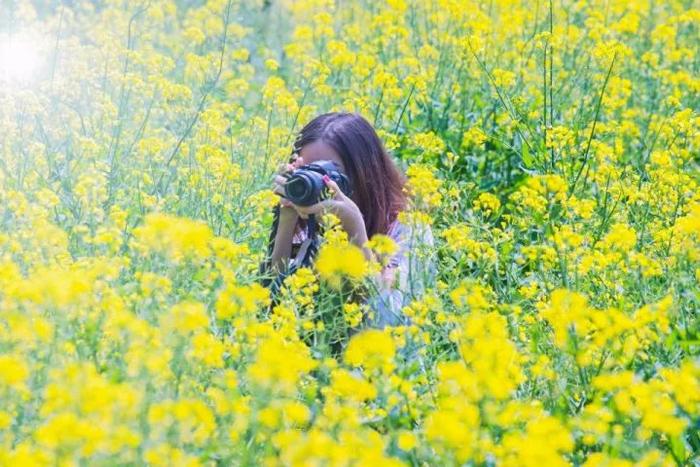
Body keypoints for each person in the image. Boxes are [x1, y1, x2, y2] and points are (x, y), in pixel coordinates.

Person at [266, 112, 436, 328]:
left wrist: (356, 231)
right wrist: (286, 221)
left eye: (327, 173)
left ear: (365, 174)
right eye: (307, 170)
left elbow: (388, 322)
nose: (316, 183)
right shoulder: (305, 222)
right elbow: (274, 313)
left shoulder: (408, 228)